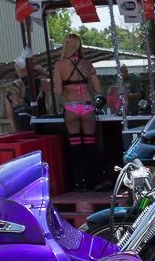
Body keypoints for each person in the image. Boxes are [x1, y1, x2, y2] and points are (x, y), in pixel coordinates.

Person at [52, 34, 102, 190]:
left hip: (71, 107)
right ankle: (94, 181)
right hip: (87, 106)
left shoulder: (60, 65)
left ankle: (79, 183)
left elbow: (58, 91)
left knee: (75, 147)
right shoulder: (87, 64)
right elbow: (98, 89)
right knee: (90, 145)